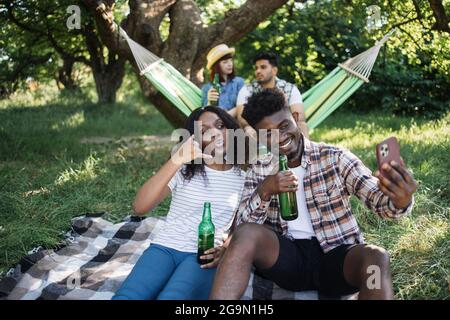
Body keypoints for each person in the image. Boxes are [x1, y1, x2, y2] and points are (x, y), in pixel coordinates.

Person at [210, 89, 417, 300]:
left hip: (335, 259)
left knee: (376, 259)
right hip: (286, 261)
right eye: (269, 134)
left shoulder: (335, 157)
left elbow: (379, 201)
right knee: (246, 233)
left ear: (296, 117)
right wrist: (265, 190)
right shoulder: (260, 168)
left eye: (284, 126)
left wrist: (400, 199)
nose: (280, 138)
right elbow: (242, 229)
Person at [113, 106, 245, 300]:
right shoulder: (184, 170)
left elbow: (240, 225)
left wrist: (225, 248)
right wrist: (177, 159)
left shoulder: (242, 178)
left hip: (203, 254)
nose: (215, 133)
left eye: (221, 125)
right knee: (127, 296)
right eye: (205, 130)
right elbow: (140, 207)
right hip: (164, 247)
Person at [236, 52, 309, 138]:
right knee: (245, 129)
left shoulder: (289, 88)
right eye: (256, 68)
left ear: (274, 70)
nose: (258, 71)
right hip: (258, 129)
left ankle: (305, 150)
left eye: (263, 67)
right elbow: (241, 117)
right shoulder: (247, 89)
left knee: (302, 124)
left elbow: (299, 116)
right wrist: (247, 127)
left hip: (284, 127)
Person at [201, 44, 245, 118]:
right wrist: (209, 102)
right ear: (216, 66)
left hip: (236, 123)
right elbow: (205, 114)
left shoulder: (239, 82)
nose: (230, 64)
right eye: (225, 62)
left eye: (231, 60)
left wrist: (225, 117)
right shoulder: (207, 88)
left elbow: (244, 104)